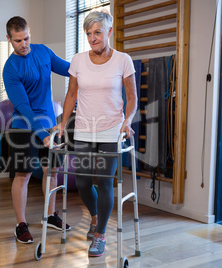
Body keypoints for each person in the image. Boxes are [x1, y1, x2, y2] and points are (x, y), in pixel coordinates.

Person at [56, 8, 137, 257]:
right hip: (83, 129)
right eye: (89, 33)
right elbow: (71, 94)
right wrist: (62, 122)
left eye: (98, 32)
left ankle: (100, 234)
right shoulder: (78, 60)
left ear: (109, 32)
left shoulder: (123, 60)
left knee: (103, 182)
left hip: (111, 130)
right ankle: (95, 217)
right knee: (81, 183)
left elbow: (132, 97)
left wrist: (128, 121)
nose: (93, 38)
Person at [3, 16, 71, 244]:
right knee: (23, 175)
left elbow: (69, 69)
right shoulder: (10, 69)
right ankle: (20, 224)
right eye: (18, 40)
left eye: (27, 38)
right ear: (9, 39)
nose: (24, 44)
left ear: (30, 33)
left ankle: (50, 216)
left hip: (50, 124)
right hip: (24, 127)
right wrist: (42, 135)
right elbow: (23, 107)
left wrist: (94, 65)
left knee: (52, 172)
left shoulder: (43, 52)